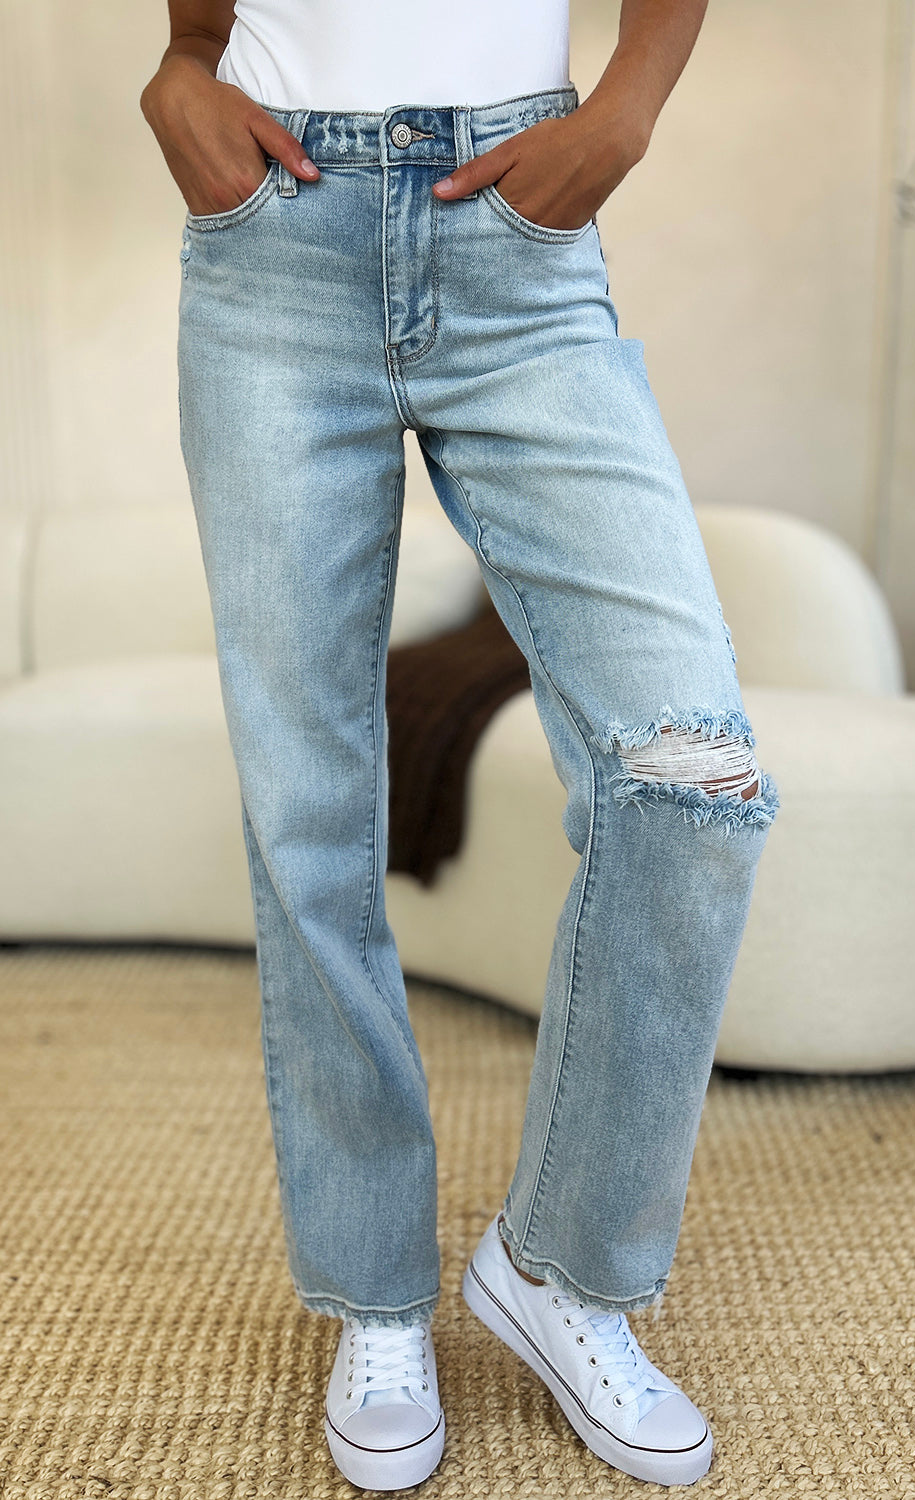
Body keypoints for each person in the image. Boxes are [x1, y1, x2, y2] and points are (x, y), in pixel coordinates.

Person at [140, 0, 779, 1489]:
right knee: (310, 815)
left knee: (695, 779)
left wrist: (629, 102)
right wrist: (179, 69)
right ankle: (375, 1298)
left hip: (519, 245)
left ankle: (564, 1268)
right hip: (274, 248)